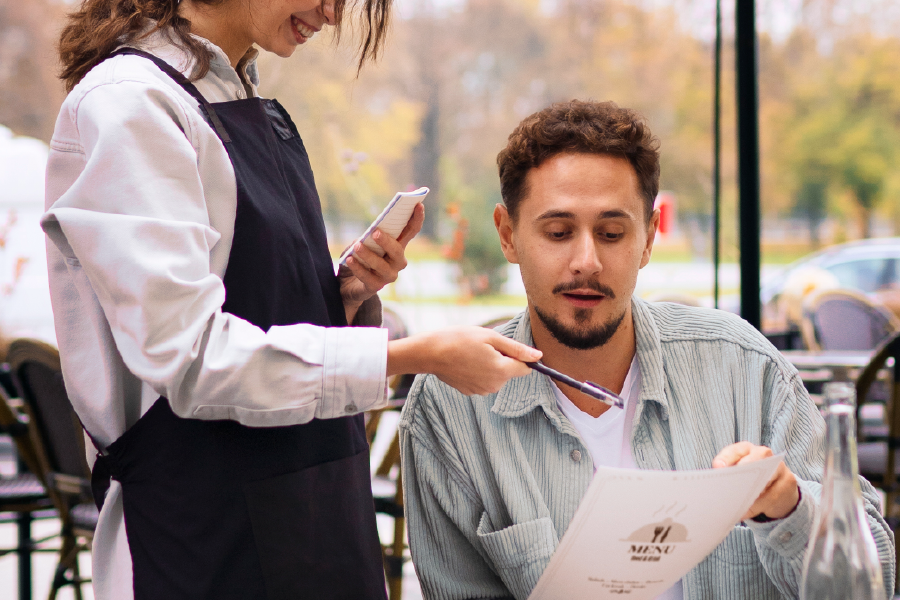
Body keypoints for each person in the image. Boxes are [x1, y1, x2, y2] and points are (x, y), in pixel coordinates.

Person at [42, 1, 543, 598]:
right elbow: (191, 356)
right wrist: (412, 356)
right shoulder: (130, 104)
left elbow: (252, 310)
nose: (332, 14)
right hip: (200, 536)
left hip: (315, 513)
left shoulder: (243, 102)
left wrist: (345, 294)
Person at [399, 100, 896, 600]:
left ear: (648, 238)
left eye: (612, 233)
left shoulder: (743, 367)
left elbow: (875, 578)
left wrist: (789, 509)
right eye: (558, 232)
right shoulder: (450, 408)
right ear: (508, 235)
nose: (586, 261)